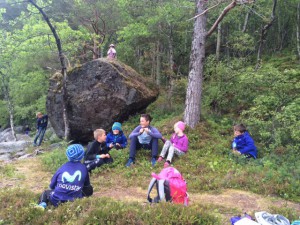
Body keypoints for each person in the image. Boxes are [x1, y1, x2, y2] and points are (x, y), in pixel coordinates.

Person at [35, 144, 93, 210]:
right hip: (74, 201)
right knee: (89, 189)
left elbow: (51, 186)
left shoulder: (62, 167)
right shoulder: (84, 168)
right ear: (82, 156)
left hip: (56, 200)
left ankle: (42, 204)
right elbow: (87, 186)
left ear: (68, 156)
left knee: (45, 193)